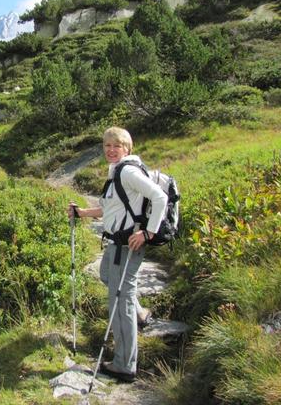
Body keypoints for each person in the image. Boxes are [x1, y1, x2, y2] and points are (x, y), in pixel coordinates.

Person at [68, 127, 166, 383]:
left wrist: (147, 233)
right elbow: (110, 210)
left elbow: (160, 197)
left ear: (127, 148)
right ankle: (141, 313)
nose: (111, 150)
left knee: (120, 302)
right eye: (107, 145)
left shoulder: (128, 171)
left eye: (117, 146)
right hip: (116, 244)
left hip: (127, 246)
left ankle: (124, 365)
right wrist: (82, 214)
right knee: (105, 276)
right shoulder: (117, 173)